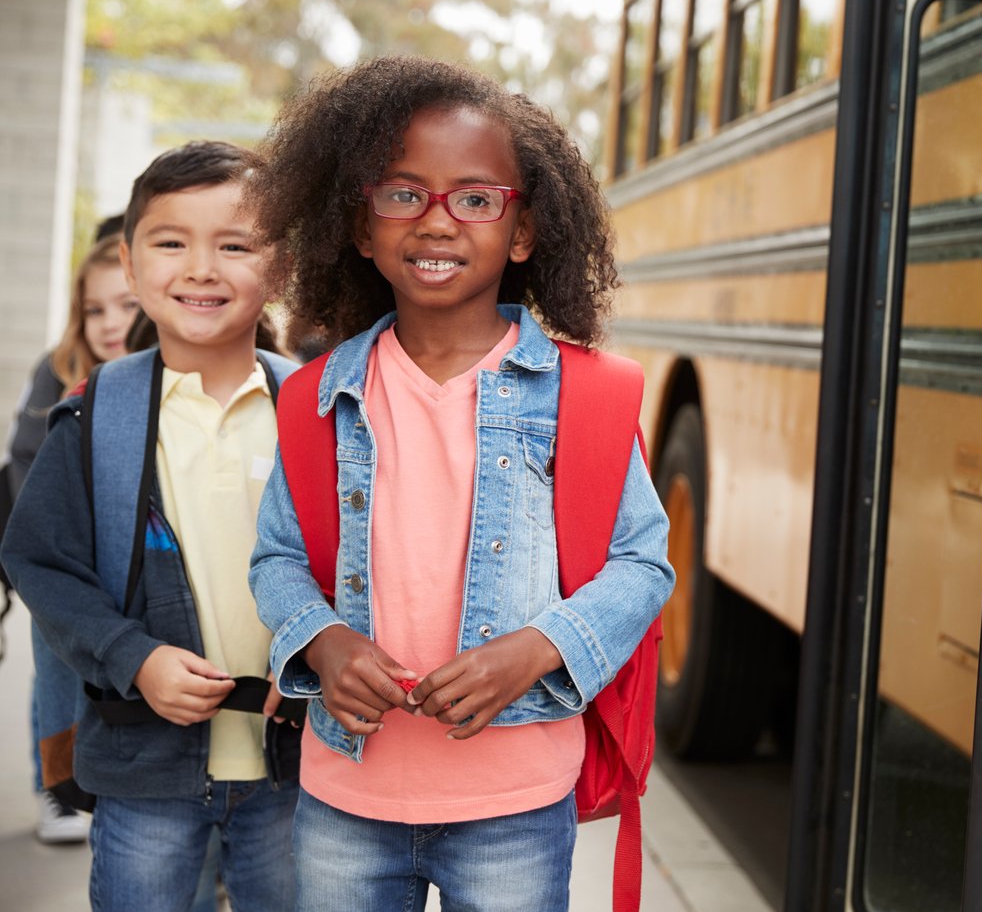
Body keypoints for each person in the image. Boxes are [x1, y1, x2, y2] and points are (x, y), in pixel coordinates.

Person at [245, 55, 674, 912]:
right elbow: (277, 557)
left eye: (475, 198)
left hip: (515, 802)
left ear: (523, 231)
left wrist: (539, 647)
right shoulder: (317, 396)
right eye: (403, 194)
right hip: (347, 795)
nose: (437, 221)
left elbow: (643, 563)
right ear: (360, 225)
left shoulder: (582, 396)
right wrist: (323, 641)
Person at [1, 141, 300, 911]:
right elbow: (42, 562)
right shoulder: (94, 415)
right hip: (144, 770)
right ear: (130, 269)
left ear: (281, 268)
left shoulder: (316, 411)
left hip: (296, 771)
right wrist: (133, 658)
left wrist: (320, 655)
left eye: (235, 245)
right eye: (171, 243)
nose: (201, 268)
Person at [4, 235, 139, 844]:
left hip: (141, 565)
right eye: (94, 310)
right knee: (57, 662)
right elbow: (25, 462)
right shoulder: (58, 371)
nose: (109, 323)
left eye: (126, 306)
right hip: (70, 560)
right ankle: (57, 787)